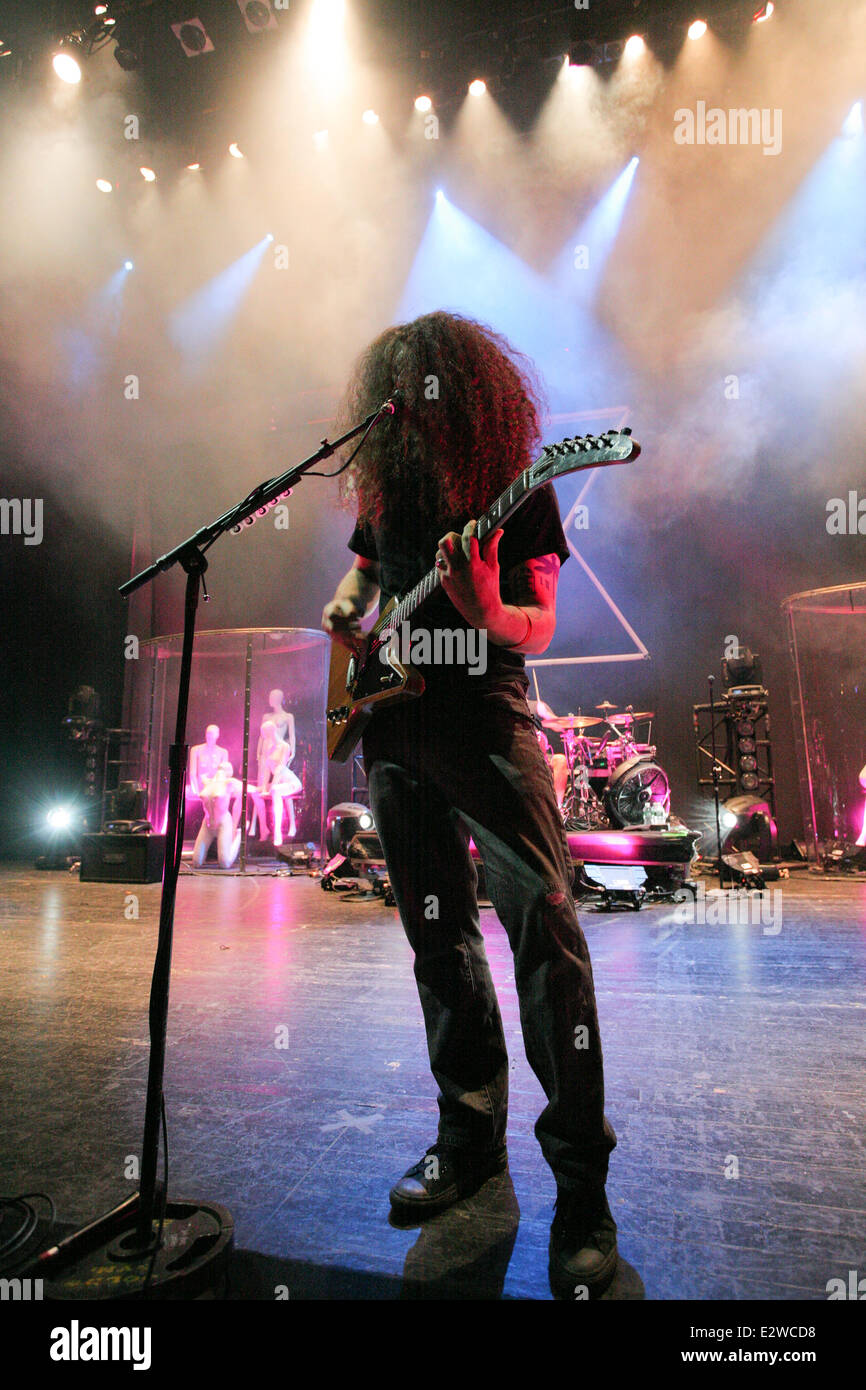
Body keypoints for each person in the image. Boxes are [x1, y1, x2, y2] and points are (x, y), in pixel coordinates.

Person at [322, 310, 617, 1298]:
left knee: (544, 929)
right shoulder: (390, 488)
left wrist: (485, 607)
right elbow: (362, 572)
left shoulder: (519, 490)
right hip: (392, 728)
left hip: (484, 718)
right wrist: (343, 608)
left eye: (424, 387)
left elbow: (533, 623)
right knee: (435, 940)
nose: (407, 409)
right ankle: (467, 1141)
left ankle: (582, 1190)